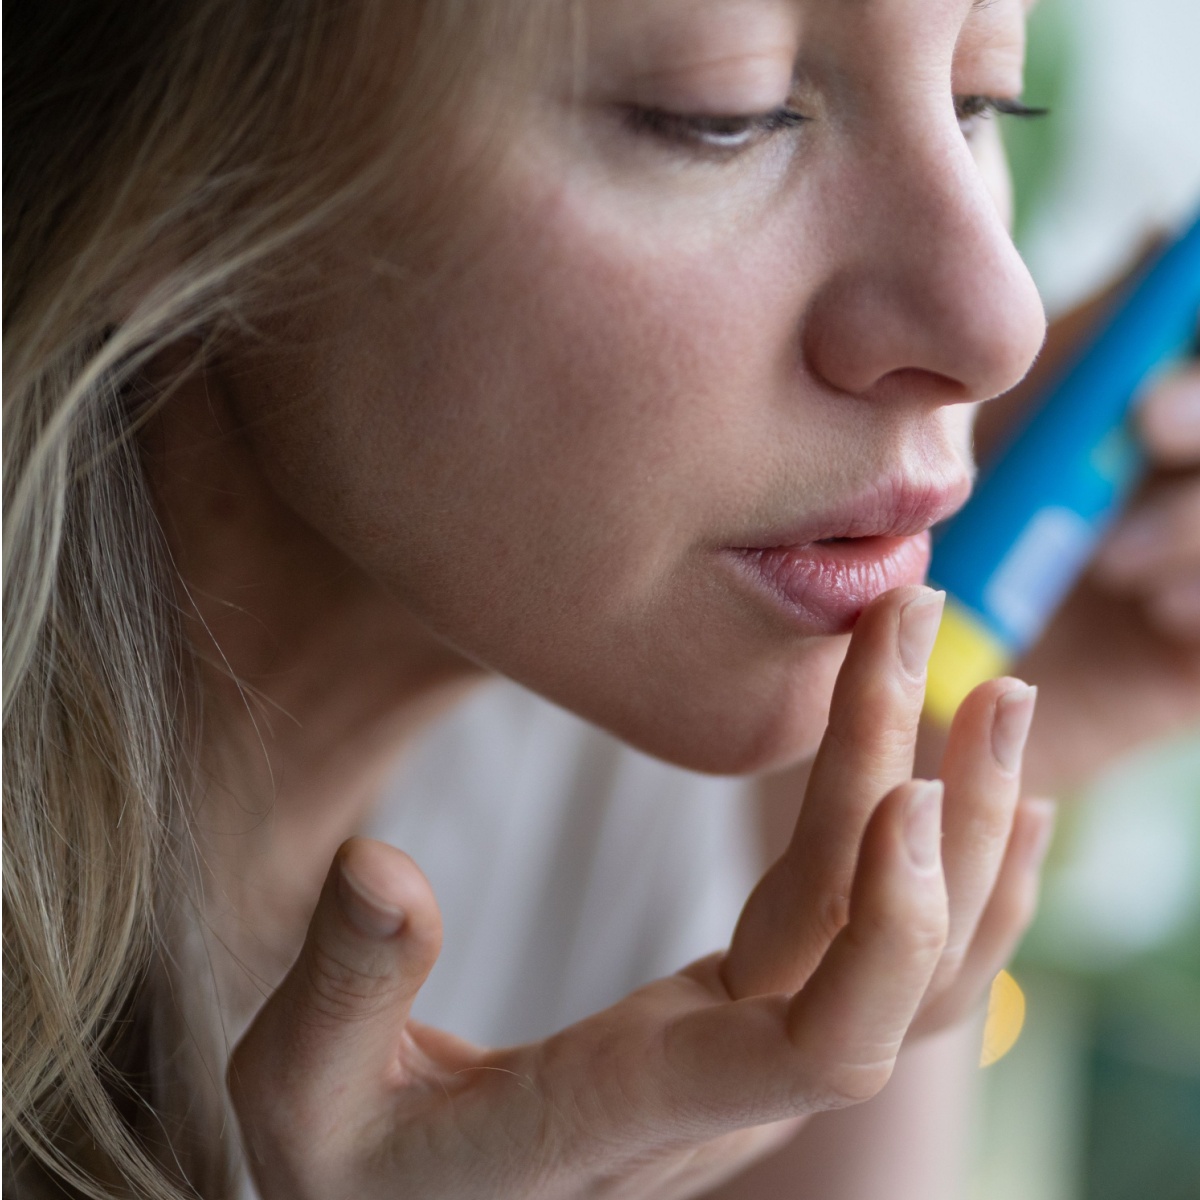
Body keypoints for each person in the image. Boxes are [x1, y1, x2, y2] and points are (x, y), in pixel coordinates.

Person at [4, 1, 1198, 1197]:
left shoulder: (644, 806)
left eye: (981, 96)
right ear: (164, 166)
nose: (999, 322)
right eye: (724, 115)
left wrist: (896, 806)